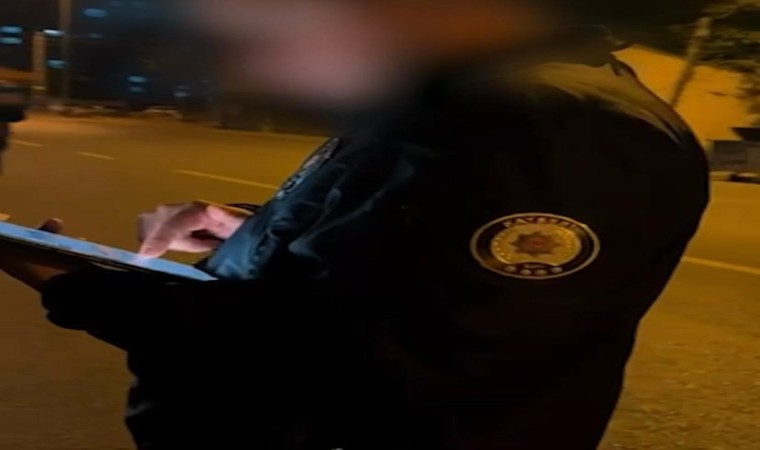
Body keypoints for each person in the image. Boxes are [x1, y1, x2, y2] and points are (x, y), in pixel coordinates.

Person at [0, 1, 709, 449]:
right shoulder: (472, 97)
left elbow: (364, 361)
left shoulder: (553, 122)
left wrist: (73, 282)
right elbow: (401, 251)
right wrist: (250, 228)